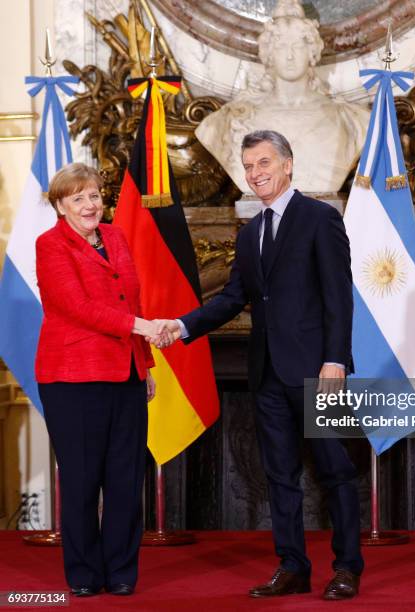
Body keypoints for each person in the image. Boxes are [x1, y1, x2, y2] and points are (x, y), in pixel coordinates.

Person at [155, 131, 363, 600]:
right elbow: (233, 299)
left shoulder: (320, 219)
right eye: (249, 166)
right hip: (267, 373)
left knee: (335, 469)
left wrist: (336, 361)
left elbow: (339, 297)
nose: (255, 173)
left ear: (288, 165)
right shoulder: (250, 233)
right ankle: (293, 566)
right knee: (279, 474)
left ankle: (348, 567)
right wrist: (182, 325)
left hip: (316, 371)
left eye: (264, 163)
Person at [35, 163, 167, 597]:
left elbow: (132, 296)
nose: (90, 205)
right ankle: (84, 574)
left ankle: (122, 571)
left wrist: (144, 364)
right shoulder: (50, 245)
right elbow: (77, 306)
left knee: (126, 479)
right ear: (60, 205)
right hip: (73, 378)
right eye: (78, 198)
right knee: (82, 479)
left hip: (126, 371)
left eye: (94, 195)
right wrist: (144, 327)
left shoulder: (115, 236)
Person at [195, 0, 369, 195]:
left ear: (312, 52)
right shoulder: (230, 121)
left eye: (298, 46)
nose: (289, 56)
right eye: (281, 46)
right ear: (268, 53)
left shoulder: (352, 120)